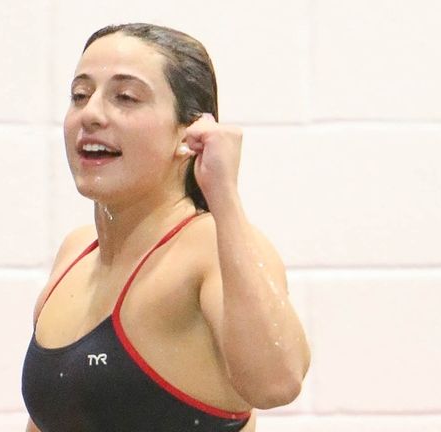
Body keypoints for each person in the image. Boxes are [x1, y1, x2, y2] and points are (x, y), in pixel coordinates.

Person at [21, 23, 310, 432]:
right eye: (80, 95)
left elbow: (278, 383)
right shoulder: (76, 254)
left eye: (126, 97)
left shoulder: (209, 246)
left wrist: (224, 194)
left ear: (187, 134)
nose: (92, 114)